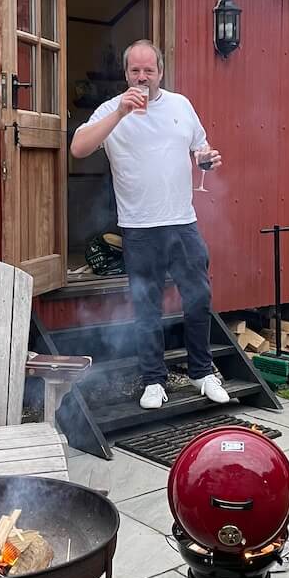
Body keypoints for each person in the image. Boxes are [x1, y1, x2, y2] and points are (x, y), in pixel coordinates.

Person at [70, 39, 230, 409]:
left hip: (182, 222)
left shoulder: (181, 105)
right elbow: (78, 147)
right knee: (146, 306)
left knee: (199, 297)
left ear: (160, 71)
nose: (142, 78)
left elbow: (199, 149)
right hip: (138, 228)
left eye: (149, 70)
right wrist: (120, 114)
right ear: (126, 73)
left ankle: (202, 372)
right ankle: (153, 381)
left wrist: (206, 159)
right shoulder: (111, 110)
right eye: (135, 71)